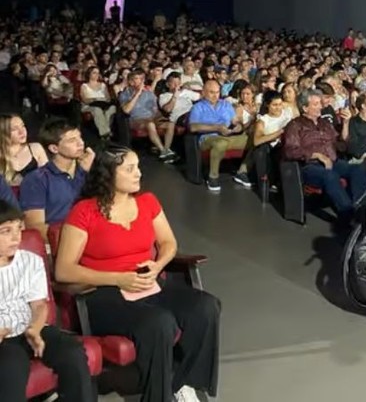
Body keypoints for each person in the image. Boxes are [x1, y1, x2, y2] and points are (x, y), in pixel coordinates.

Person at [54, 146, 221, 402]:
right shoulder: (84, 211)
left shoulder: (147, 201)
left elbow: (168, 243)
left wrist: (158, 265)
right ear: (108, 174)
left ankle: (181, 383)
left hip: (147, 283)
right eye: (129, 169)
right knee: (159, 322)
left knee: (206, 306)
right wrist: (117, 278)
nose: (138, 174)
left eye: (138, 167)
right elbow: (64, 270)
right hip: (103, 293)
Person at [0, 200, 97, 402]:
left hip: (29, 327)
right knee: (12, 364)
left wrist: (35, 328)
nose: (16, 237)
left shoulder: (30, 261)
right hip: (3, 338)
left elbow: (38, 304)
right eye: (6, 231)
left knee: (72, 352)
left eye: (19, 228)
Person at [283, 89, 366, 220]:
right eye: (315, 104)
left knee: (356, 169)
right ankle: (348, 213)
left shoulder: (325, 124)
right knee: (330, 175)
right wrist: (317, 155)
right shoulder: (295, 125)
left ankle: (361, 208)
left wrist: (345, 124)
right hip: (310, 166)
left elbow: (341, 145)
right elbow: (290, 150)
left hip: (333, 161)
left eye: (320, 103)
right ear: (305, 108)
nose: (320, 107)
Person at [19, 119, 94, 238]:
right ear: (54, 148)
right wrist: (73, 235)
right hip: (60, 240)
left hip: (94, 234)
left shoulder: (87, 171)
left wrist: (91, 173)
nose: (80, 143)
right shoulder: (37, 179)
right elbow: (35, 226)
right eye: (72, 140)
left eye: (80, 137)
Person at [188, 79, 248, 192]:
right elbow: (193, 127)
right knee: (220, 143)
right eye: (211, 92)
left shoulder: (226, 105)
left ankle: (242, 171)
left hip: (228, 136)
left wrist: (237, 127)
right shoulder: (198, 107)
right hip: (208, 138)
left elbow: (236, 122)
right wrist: (217, 128)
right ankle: (213, 176)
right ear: (204, 92)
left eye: (217, 92)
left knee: (251, 140)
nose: (215, 95)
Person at [118, 69, 173, 160]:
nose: (141, 81)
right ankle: (162, 150)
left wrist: (160, 117)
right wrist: (138, 93)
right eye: (137, 78)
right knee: (150, 124)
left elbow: (155, 109)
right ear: (131, 82)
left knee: (170, 124)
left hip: (152, 118)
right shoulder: (125, 94)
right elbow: (126, 110)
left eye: (142, 78)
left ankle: (166, 150)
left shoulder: (149, 94)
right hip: (136, 120)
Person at [0, 113, 48, 187]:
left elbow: (47, 180)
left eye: (23, 126)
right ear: (3, 132)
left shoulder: (35, 149)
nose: (22, 132)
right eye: (14, 129)